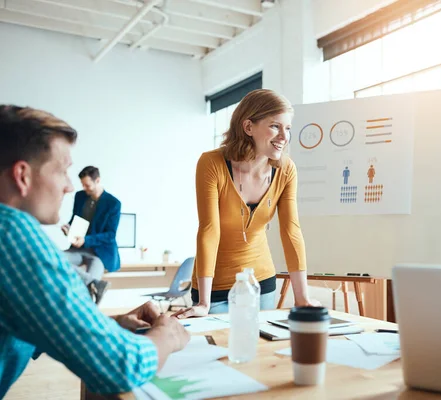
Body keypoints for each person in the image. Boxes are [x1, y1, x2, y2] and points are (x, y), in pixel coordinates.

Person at [0, 105, 189, 397]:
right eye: (62, 171)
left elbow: (42, 325)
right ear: (22, 176)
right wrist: (167, 335)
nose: (67, 186)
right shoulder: (12, 235)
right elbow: (120, 367)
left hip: (98, 252)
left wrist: (106, 324)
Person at [174, 89, 319, 318]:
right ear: (248, 127)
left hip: (261, 283)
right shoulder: (212, 164)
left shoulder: (286, 170)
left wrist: (302, 297)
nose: (284, 136)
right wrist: (203, 301)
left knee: (260, 351)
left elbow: (291, 231)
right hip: (215, 288)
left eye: (288, 128)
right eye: (275, 126)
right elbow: (209, 230)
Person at [62, 166, 120, 304]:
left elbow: (110, 235)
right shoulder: (80, 196)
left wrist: (86, 240)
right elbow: (75, 219)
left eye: (87, 185)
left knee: (89, 293)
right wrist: (68, 229)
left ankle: (87, 320)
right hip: (78, 249)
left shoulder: (113, 203)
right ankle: (95, 283)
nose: (84, 188)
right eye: (82, 184)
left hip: (99, 253)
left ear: (97, 180)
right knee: (54, 257)